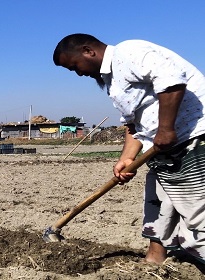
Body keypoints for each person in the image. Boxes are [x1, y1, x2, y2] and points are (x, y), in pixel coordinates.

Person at [53, 33, 205, 264]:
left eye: (75, 67)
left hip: (192, 141)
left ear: (88, 51)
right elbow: (134, 123)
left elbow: (172, 80)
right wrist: (127, 158)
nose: (79, 73)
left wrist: (165, 129)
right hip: (161, 151)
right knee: (158, 209)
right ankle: (153, 261)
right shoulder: (112, 82)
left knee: (198, 216)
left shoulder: (129, 52)